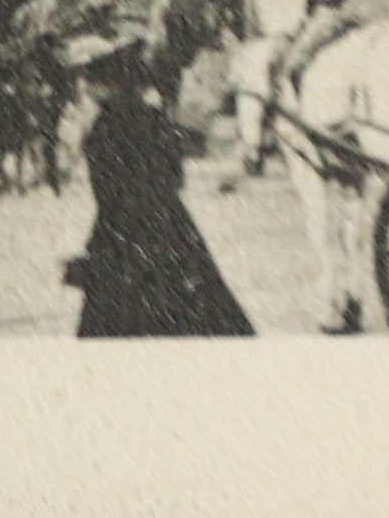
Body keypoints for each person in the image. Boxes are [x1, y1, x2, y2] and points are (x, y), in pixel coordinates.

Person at [59, 31, 251, 338]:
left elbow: (109, 195)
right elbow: (176, 175)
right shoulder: (154, 117)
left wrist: (97, 254)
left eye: (86, 78)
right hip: (173, 228)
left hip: (122, 235)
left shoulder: (102, 130)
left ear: (100, 83)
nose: (82, 86)